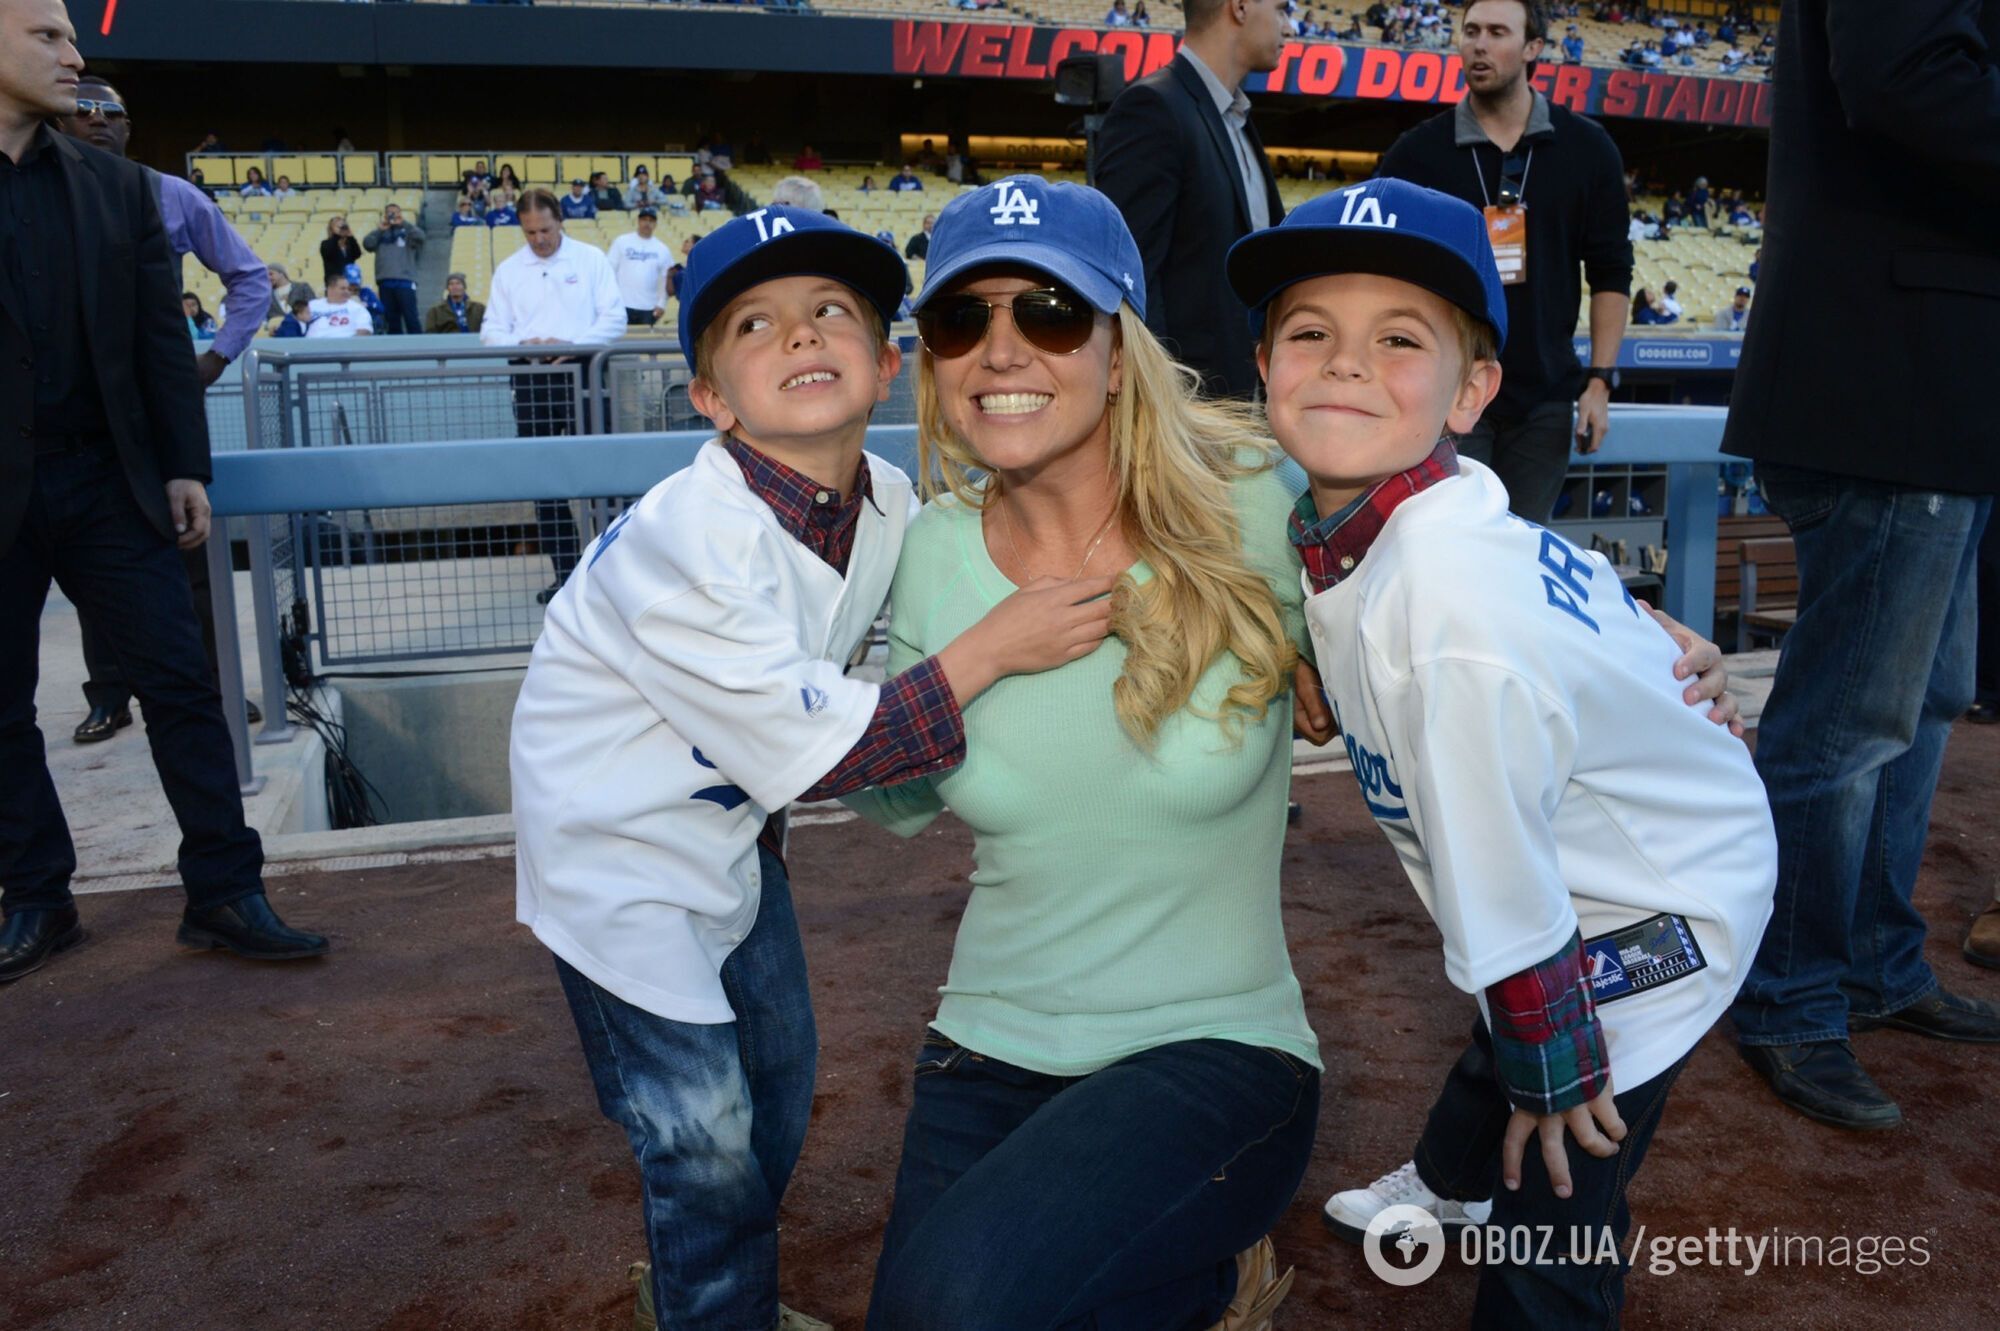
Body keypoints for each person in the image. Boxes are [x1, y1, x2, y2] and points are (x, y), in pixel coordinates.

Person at [857, 172, 1740, 1331]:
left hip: (1212, 1043)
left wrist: (1651, 648)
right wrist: (972, 657)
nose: (1004, 350)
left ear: (1118, 349)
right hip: (983, 1037)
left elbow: (1468, 548)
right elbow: (896, 805)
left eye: (1052, 313)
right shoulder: (924, 548)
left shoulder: (1259, 497)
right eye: (964, 319)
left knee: (954, 1305)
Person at [514, 203, 1104, 1331]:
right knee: (699, 1135)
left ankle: (707, 1280)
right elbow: (836, 752)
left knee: (776, 1095)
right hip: (615, 869)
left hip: (727, 840)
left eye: (831, 311)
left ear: (885, 363)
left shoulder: (881, 497)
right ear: (707, 396)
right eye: (753, 324)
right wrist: (995, 648)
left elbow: (966, 562)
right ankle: (714, 1306)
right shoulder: (690, 534)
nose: (799, 335)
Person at [1234, 177, 1773, 1327]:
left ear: (1471, 388)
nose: (1340, 364)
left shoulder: (1447, 618)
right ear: (1264, 365)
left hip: (1659, 894)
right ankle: (1447, 1178)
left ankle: (1520, 1227)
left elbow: (1513, 903)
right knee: (1500, 1002)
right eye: (1308, 333)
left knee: (1557, 1163)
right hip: (1627, 828)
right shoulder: (1419, 504)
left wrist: (1554, 1063)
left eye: (1394, 340)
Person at [1, 0, 328, 983]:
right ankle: (37, 899)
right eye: (49, 35)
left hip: (110, 481)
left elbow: (156, 339)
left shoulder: (119, 190)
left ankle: (225, 891)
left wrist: (186, 465)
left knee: (183, 686)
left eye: (71, 33)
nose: (76, 51)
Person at [1723, 0, 2000, 1132]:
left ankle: (1878, 963)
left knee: (1920, 702)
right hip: (1889, 372)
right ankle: (1787, 994)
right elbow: (1901, 78)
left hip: (1933, 379)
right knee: (1846, 721)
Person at [56, 76, 273, 741]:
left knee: (189, 548)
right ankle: (110, 694)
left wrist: (213, 359)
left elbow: (250, 277)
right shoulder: (39, 194)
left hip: (157, 405)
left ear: (129, 127)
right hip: (73, 412)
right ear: (61, 124)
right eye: (82, 110)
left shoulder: (170, 195)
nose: (97, 121)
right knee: (90, 556)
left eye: (111, 112)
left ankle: (211, 687)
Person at [1375, 0, 1633, 522]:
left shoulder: (1588, 148)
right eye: (1470, 31)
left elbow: (1610, 271)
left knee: (1520, 552)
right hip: (1446, 391)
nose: (1479, 44)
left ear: (1532, 48)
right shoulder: (1417, 153)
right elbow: (1385, 273)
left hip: (1543, 399)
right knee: (1446, 546)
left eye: (1497, 32)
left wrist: (1600, 382)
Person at [1095, 0, 1287, 400]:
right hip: (1189, 416)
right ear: (1239, 7)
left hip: (1246, 402)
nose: (1289, 26)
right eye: (1282, 9)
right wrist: (1168, 406)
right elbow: (1131, 281)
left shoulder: (1237, 120)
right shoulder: (1152, 109)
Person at [479, 188, 624, 603]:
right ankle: (567, 575)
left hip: (584, 371)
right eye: (530, 233)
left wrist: (572, 343)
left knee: (602, 473)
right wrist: (526, 344)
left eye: (544, 230)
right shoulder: (508, 270)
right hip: (531, 378)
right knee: (544, 479)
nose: (539, 239)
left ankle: (612, 576)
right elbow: (491, 329)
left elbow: (614, 318)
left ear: (560, 221)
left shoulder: (591, 259)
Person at [360, 201, 425, 335]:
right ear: (384, 215)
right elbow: (368, 244)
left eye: (395, 212)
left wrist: (404, 224)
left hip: (405, 281)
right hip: (385, 281)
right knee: (391, 320)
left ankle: (419, 348)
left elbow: (421, 237)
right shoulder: (379, 233)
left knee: (411, 318)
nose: (392, 215)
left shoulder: (408, 231)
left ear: (400, 214)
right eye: (389, 213)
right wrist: (380, 230)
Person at [609, 206, 671, 327]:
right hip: (622, 305)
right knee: (620, 344)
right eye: (644, 219)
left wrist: (662, 304)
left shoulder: (662, 249)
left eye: (651, 220)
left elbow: (665, 279)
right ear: (638, 221)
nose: (647, 223)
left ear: (655, 224)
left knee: (645, 344)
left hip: (649, 308)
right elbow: (609, 271)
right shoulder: (622, 242)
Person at [305, 272, 373, 339]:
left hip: (344, 347)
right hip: (312, 347)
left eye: (348, 289)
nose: (347, 292)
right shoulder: (312, 305)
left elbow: (365, 332)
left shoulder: (357, 308)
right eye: (343, 289)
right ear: (330, 289)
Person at [320, 213, 361, 285]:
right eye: (338, 226)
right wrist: (337, 235)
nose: (341, 228)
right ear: (331, 229)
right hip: (334, 282)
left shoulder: (349, 243)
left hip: (349, 281)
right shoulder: (326, 243)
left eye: (343, 226)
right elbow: (329, 253)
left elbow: (357, 254)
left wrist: (351, 237)